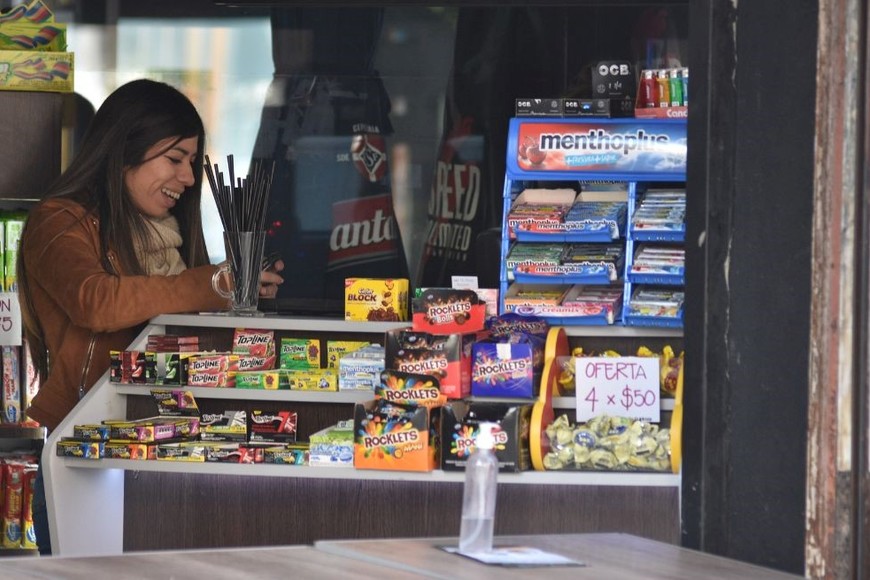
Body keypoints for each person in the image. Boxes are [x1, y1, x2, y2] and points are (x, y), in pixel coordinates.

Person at [17, 78, 285, 555]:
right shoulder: (60, 221)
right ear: (124, 151)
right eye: (175, 159)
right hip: (88, 449)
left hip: (172, 446)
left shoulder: (174, 237)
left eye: (191, 163)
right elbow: (95, 301)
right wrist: (210, 284)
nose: (187, 178)